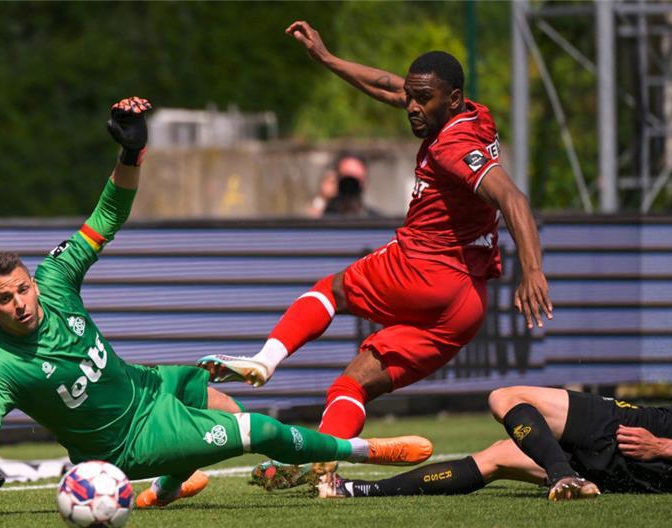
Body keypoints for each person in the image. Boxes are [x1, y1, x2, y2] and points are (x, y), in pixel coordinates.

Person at [0, 97, 434, 520]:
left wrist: (130, 153)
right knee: (258, 429)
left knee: (219, 401)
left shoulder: (55, 279)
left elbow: (107, 216)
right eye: (4, 299)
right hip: (128, 443)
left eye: (22, 289)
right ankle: (361, 450)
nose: (19, 303)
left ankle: (166, 488)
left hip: (144, 383)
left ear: (32, 282)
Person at [197, 21, 552, 486]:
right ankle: (322, 469)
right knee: (352, 384)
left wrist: (534, 272)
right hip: (465, 307)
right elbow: (387, 86)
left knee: (331, 291)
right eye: (411, 96)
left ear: (454, 100)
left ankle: (265, 360)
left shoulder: (452, 146)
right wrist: (327, 59)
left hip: (425, 268)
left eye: (422, 99)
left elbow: (514, 199)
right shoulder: (471, 115)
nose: (411, 107)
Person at [318, 367, 672, 500]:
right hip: (662, 473)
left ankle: (562, 474)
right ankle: (354, 490)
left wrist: (664, 444)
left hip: (664, 436)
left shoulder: (666, 437)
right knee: (498, 455)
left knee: (505, 397)